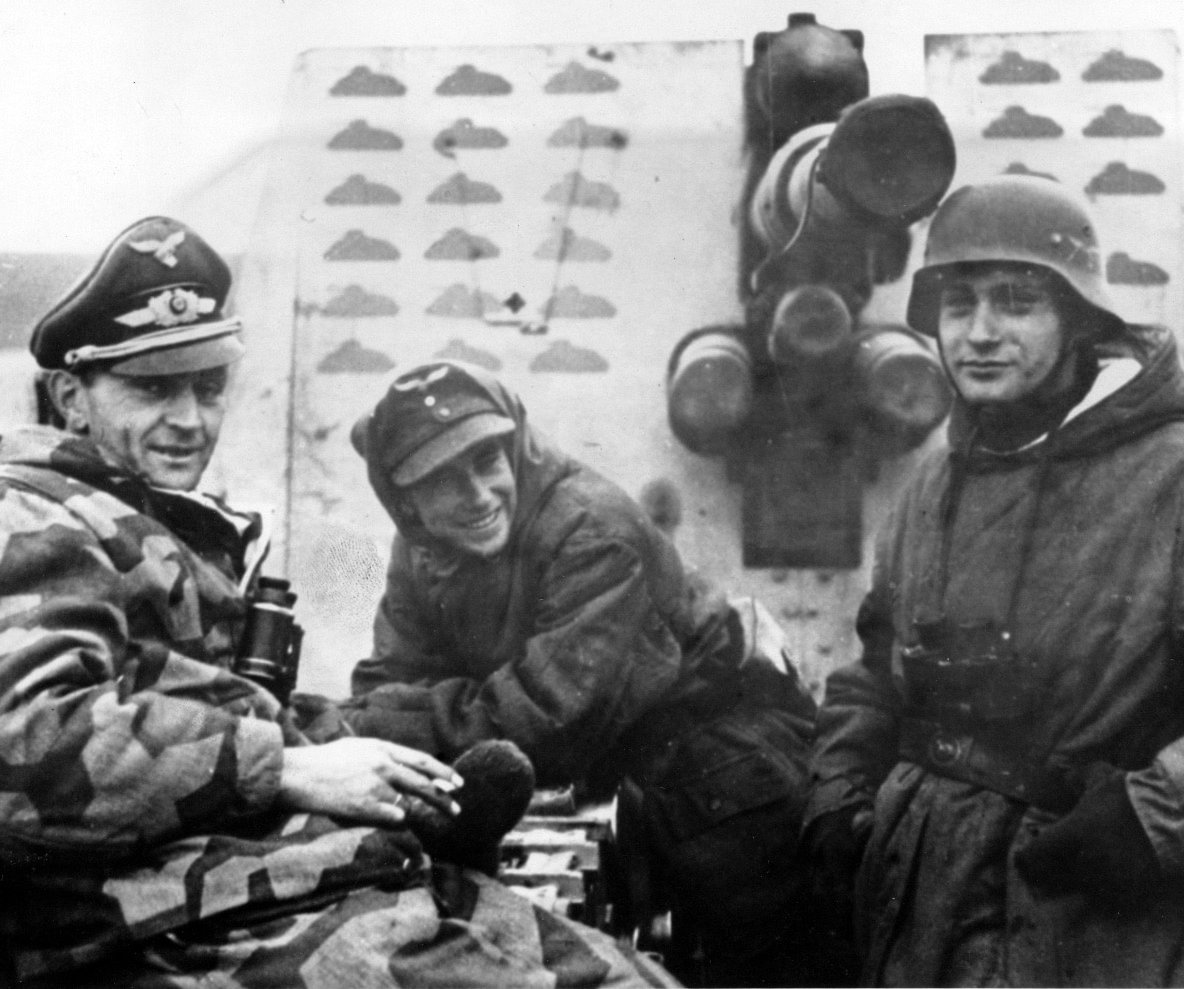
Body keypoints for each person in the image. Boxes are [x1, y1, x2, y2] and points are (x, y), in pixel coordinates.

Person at [0, 216, 673, 989]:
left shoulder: (137, 515)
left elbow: (202, 699)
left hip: (280, 884)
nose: (189, 419)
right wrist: (285, 767)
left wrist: (367, 754)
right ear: (69, 397)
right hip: (178, 924)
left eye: (207, 386)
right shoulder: (23, 518)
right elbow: (15, 753)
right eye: (152, 388)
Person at [802, 175, 1184, 987]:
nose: (981, 332)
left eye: (1017, 301)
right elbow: (877, 673)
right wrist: (840, 795)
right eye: (958, 302)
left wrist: (1153, 816)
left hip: (1097, 922)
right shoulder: (930, 489)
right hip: (921, 912)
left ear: (1080, 318)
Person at [336, 360, 851, 987]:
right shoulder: (423, 547)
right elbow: (386, 681)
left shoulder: (591, 526)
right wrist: (386, 719)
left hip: (726, 777)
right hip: (612, 781)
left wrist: (386, 721)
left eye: (486, 461)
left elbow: (549, 716)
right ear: (405, 499)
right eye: (441, 480)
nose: (477, 494)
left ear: (515, 448)